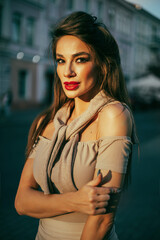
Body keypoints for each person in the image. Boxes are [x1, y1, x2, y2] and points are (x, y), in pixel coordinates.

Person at [15, 11, 138, 240]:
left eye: (80, 59)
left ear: (102, 64)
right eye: (61, 60)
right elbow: (22, 202)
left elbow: (102, 220)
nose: (67, 71)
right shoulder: (48, 121)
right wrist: (77, 201)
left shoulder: (113, 115)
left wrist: (44, 202)